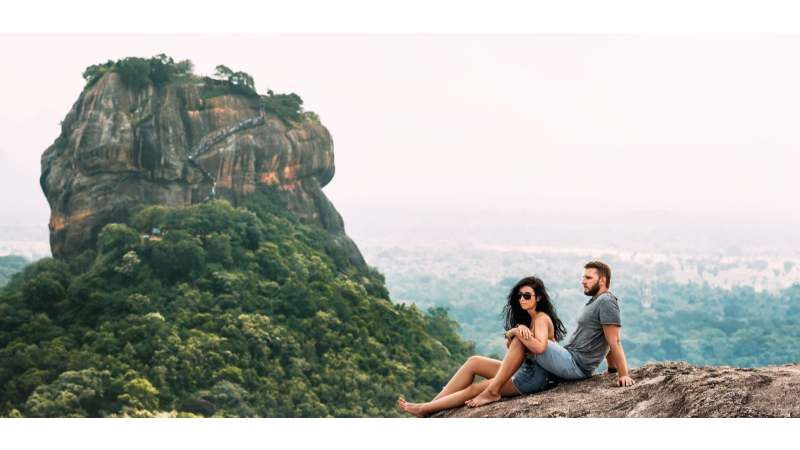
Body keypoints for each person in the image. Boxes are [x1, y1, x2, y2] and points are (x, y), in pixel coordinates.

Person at [397, 276, 567, 417]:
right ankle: (432, 406)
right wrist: (514, 332)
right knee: (474, 362)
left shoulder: (541, 319)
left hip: (532, 378)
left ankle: (425, 409)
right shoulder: (529, 319)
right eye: (520, 296)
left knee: (475, 389)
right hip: (523, 370)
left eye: (527, 296)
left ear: (538, 298)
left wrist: (516, 332)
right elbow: (513, 349)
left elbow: (540, 348)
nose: (522, 299)